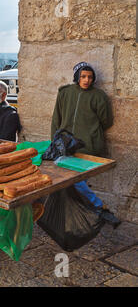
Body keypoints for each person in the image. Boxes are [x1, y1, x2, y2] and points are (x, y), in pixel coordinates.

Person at [51, 61, 121, 228]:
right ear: (77, 77)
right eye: (83, 76)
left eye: (90, 77)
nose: (86, 80)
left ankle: (94, 211)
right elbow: (56, 119)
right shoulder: (65, 93)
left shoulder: (99, 96)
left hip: (88, 148)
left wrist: (90, 134)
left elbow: (107, 121)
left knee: (75, 180)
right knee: (71, 182)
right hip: (66, 147)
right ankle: (97, 210)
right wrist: (54, 142)